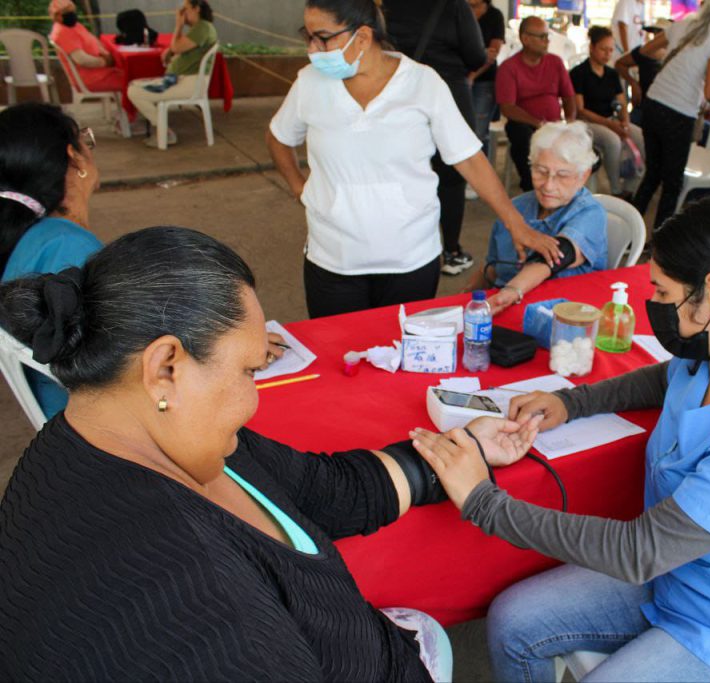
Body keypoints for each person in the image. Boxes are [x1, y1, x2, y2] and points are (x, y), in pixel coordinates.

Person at [0, 224, 548, 679]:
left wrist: (462, 447)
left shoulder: (134, 434)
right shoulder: (205, 616)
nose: (254, 398)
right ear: (165, 366)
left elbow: (323, 489)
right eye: (250, 370)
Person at [408, 195, 710, 683]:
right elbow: (665, 379)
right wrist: (570, 403)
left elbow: (636, 551)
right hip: (679, 577)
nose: (654, 308)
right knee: (514, 620)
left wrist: (482, 501)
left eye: (663, 295)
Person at [267, 0, 560, 318]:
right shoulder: (311, 82)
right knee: (336, 358)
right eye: (307, 35)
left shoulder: (422, 83)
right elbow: (279, 137)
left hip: (410, 259)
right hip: (333, 258)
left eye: (322, 37)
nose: (312, 48)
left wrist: (517, 224)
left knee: (402, 355)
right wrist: (299, 187)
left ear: (363, 37)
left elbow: (469, 158)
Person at [0, 103, 102, 420]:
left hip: (62, 417)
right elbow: (111, 361)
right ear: (74, 158)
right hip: (91, 422)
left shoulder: (35, 237)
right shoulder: (68, 246)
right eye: (87, 138)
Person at [381, 0, 486, 277]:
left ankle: (399, 246)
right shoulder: (453, 7)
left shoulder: (388, 7)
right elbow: (476, 55)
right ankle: (451, 251)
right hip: (450, 94)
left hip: (399, 99)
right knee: (452, 178)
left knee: (404, 172)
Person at [470, 122, 608, 315]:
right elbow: (492, 268)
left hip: (563, 316)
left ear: (583, 176)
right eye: (541, 171)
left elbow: (558, 255)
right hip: (503, 308)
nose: (548, 185)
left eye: (562, 175)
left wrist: (511, 290)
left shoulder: (590, 213)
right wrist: (459, 301)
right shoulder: (515, 208)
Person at [634, 0, 710, 231]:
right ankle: (659, 241)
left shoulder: (680, 26)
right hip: (679, 113)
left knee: (652, 174)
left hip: (653, 103)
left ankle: (631, 227)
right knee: (672, 182)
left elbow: (644, 51)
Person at [496, 17, 577, 193]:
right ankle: (532, 187)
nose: (547, 41)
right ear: (525, 39)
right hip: (525, 124)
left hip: (554, 124)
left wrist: (570, 121)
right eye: (542, 37)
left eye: (547, 36)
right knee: (521, 135)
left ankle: (565, 188)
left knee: (579, 140)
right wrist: (537, 123)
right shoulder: (509, 67)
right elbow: (507, 107)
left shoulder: (555, 62)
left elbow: (569, 97)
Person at [126, 0, 218, 148]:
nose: (182, 13)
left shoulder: (203, 28)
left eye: (185, 9)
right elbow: (177, 47)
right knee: (135, 85)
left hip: (189, 83)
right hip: (183, 80)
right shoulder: (200, 28)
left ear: (197, 9)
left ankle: (164, 131)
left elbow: (176, 47)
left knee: (134, 92)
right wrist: (171, 50)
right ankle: (163, 130)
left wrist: (178, 25)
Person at [571, 26, 646, 199]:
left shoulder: (611, 74)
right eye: (603, 49)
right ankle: (616, 189)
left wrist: (624, 121)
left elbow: (621, 101)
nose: (607, 54)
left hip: (611, 119)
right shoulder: (579, 73)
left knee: (641, 137)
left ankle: (631, 186)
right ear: (592, 47)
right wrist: (612, 125)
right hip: (587, 123)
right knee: (613, 141)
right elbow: (581, 110)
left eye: (611, 50)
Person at [48, 0, 126, 94]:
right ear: (56, 16)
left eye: (72, 11)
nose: (71, 15)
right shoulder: (62, 33)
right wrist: (105, 62)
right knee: (134, 81)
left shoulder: (74, 26)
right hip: (93, 79)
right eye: (66, 13)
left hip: (100, 73)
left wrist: (106, 55)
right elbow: (82, 60)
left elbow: (93, 42)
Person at [468, 0, 506, 158]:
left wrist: (472, 76)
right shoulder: (456, 11)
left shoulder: (494, 16)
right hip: (456, 78)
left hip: (484, 80)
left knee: (478, 133)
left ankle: (480, 180)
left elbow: (492, 53)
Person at [615, 20, 668, 128]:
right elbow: (620, 64)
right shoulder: (644, 52)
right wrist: (633, 83)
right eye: (654, 32)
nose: (656, 35)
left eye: (659, 32)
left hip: (664, 110)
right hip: (644, 106)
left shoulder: (678, 56)